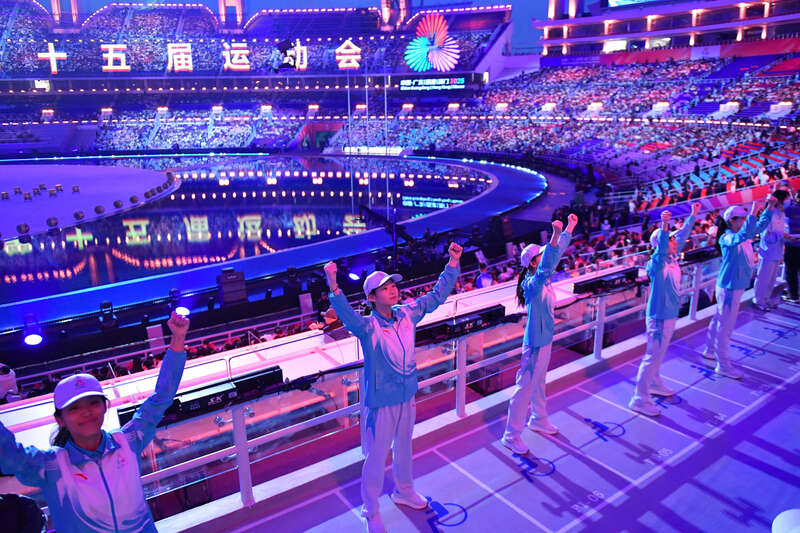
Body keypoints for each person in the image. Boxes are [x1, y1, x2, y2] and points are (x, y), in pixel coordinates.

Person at [0, 312, 190, 533]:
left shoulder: (128, 441)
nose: (87, 412)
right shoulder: (51, 466)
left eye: (93, 403)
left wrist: (178, 337)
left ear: (105, 407)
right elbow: (8, 454)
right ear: (60, 420)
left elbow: (162, 397)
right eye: (74, 408)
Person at [324, 243, 462, 533]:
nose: (393, 290)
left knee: (404, 448)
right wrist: (334, 285)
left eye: (393, 286)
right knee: (376, 457)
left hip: (407, 396)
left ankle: (405, 491)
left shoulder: (408, 313)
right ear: (372, 298)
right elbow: (347, 315)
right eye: (385, 288)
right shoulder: (368, 327)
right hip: (382, 402)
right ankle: (371, 509)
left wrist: (452, 264)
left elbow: (436, 296)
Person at [502, 214, 578, 455]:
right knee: (524, 387)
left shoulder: (541, 280)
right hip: (535, 342)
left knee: (539, 383)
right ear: (533, 264)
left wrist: (569, 228)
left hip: (544, 339)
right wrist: (555, 235)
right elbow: (548, 264)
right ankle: (511, 435)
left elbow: (555, 255)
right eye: (541, 256)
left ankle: (539, 418)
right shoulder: (531, 284)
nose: (546, 258)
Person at [629, 204, 700, 417]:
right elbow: (661, 247)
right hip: (659, 315)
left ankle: (654, 382)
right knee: (652, 356)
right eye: (670, 239)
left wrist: (693, 216)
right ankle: (639, 399)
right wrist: (664, 224)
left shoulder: (671, 258)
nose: (675, 241)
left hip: (669, 313)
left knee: (659, 354)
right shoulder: (657, 263)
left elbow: (682, 236)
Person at [703, 198, 775, 379]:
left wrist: (769, 208)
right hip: (729, 286)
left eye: (745, 218)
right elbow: (741, 236)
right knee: (725, 326)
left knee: (720, 318)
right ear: (731, 221)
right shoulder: (727, 237)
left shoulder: (742, 233)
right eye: (741, 218)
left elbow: (758, 227)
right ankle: (723, 365)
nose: (744, 221)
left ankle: (709, 350)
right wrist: (753, 213)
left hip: (733, 285)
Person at [754, 189, 790, 310]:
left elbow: (780, 232)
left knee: (772, 278)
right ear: (779, 201)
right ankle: (759, 300)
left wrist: (787, 237)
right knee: (763, 278)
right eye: (787, 199)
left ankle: (766, 299)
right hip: (767, 252)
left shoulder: (782, 214)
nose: (789, 202)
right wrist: (782, 235)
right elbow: (765, 236)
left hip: (777, 251)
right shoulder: (769, 214)